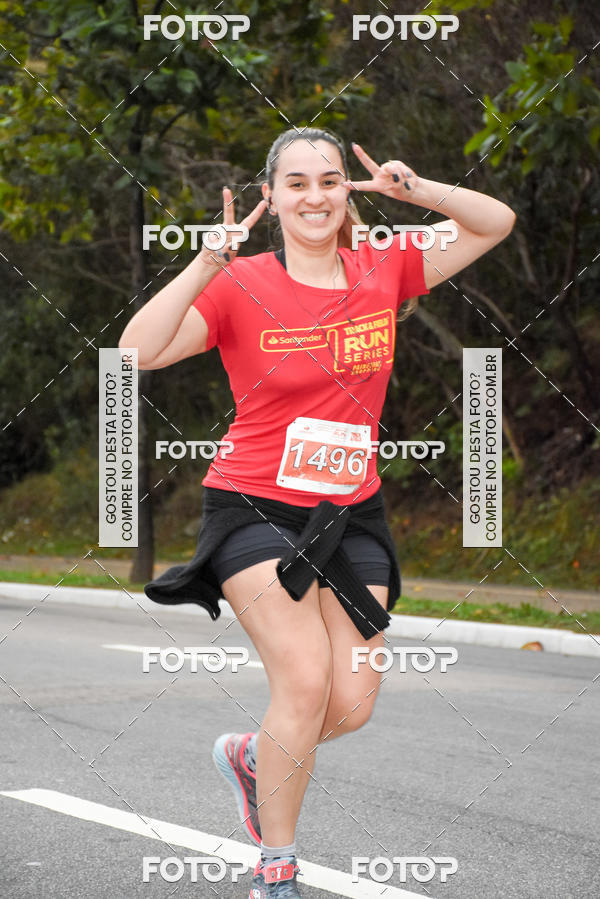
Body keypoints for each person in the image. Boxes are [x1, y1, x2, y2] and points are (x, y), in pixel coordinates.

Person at [119, 126, 516, 898]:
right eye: (296, 183)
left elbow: (494, 222)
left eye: (329, 180)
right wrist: (206, 260)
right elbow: (135, 354)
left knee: (353, 703)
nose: (315, 196)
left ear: (346, 192)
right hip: (251, 504)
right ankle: (277, 865)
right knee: (303, 683)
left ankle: (251, 756)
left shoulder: (385, 265)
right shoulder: (240, 284)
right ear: (272, 198)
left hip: (351, 511)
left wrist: (417, 191)